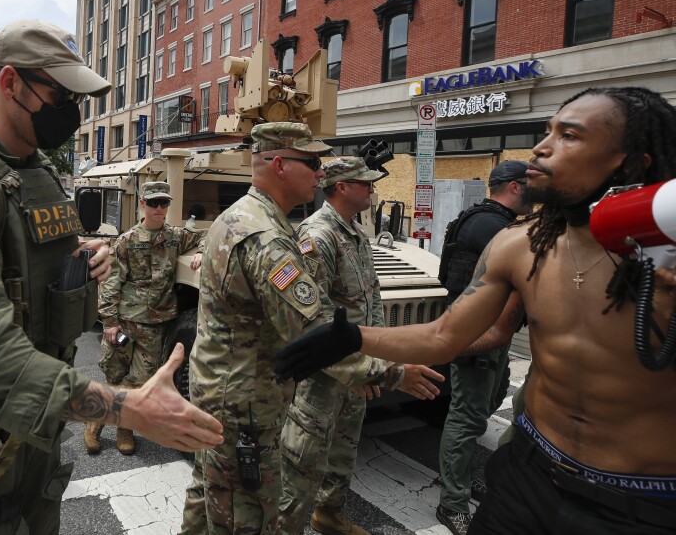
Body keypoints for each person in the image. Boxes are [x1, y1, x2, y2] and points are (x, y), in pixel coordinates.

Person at [276, 86, 676, 535]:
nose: (541, 147)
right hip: (530, 472)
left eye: (569, 136)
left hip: (644, 500)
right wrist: (357, 342)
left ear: (632, 162)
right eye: (546, 131)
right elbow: (445, 335)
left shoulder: (665, 251)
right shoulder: (517, 244)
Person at [0, 20, 223, 533]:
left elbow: (32, 264)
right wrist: (125, 406)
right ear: (10, 84)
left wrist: (84, 259)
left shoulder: (38, 174)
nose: (71, 109)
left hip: (38, 425)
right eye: (59, 93)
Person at [179, 121, 341, 534]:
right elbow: (314, 332)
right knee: (245, 516)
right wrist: (394, 369)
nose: (321, 173)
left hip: (220, 390)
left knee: (208, 491)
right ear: (281, 165)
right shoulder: (265, 237)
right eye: (313, 162)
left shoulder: (240, 217)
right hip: (243, 405)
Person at [278, 156, 444, 535]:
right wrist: (366, 368)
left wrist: (374, 360)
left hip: (357, 366)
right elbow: (313, 321)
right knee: (302, 459)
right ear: (341, 188)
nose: (372, 188)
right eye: (364, 182)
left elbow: (371, 301)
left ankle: (329, 514)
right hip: (325, 373)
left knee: (344, 448)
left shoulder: (353, 232)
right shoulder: (317, 237)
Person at [434, 160, 534, 535]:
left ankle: (457, 478)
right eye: (529, 185)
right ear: (513, 186)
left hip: (493, 333)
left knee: (488, 402)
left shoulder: (495, 221)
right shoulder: (492, 226)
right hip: (476, 334)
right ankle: (452, 503)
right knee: (467, 416)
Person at [87, 181, 205, 455]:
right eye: (153, 203)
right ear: (143, 203)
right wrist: (109, 322)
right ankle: (96, 422)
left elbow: (206, 236)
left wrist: (200, 251)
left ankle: (122, 427)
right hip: (127, 320)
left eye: (164, 203)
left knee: (140, 379)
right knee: (114, 373)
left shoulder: (176, 236)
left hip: (156, 324)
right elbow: (112, 282)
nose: (159, 209)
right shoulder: (127, 241)